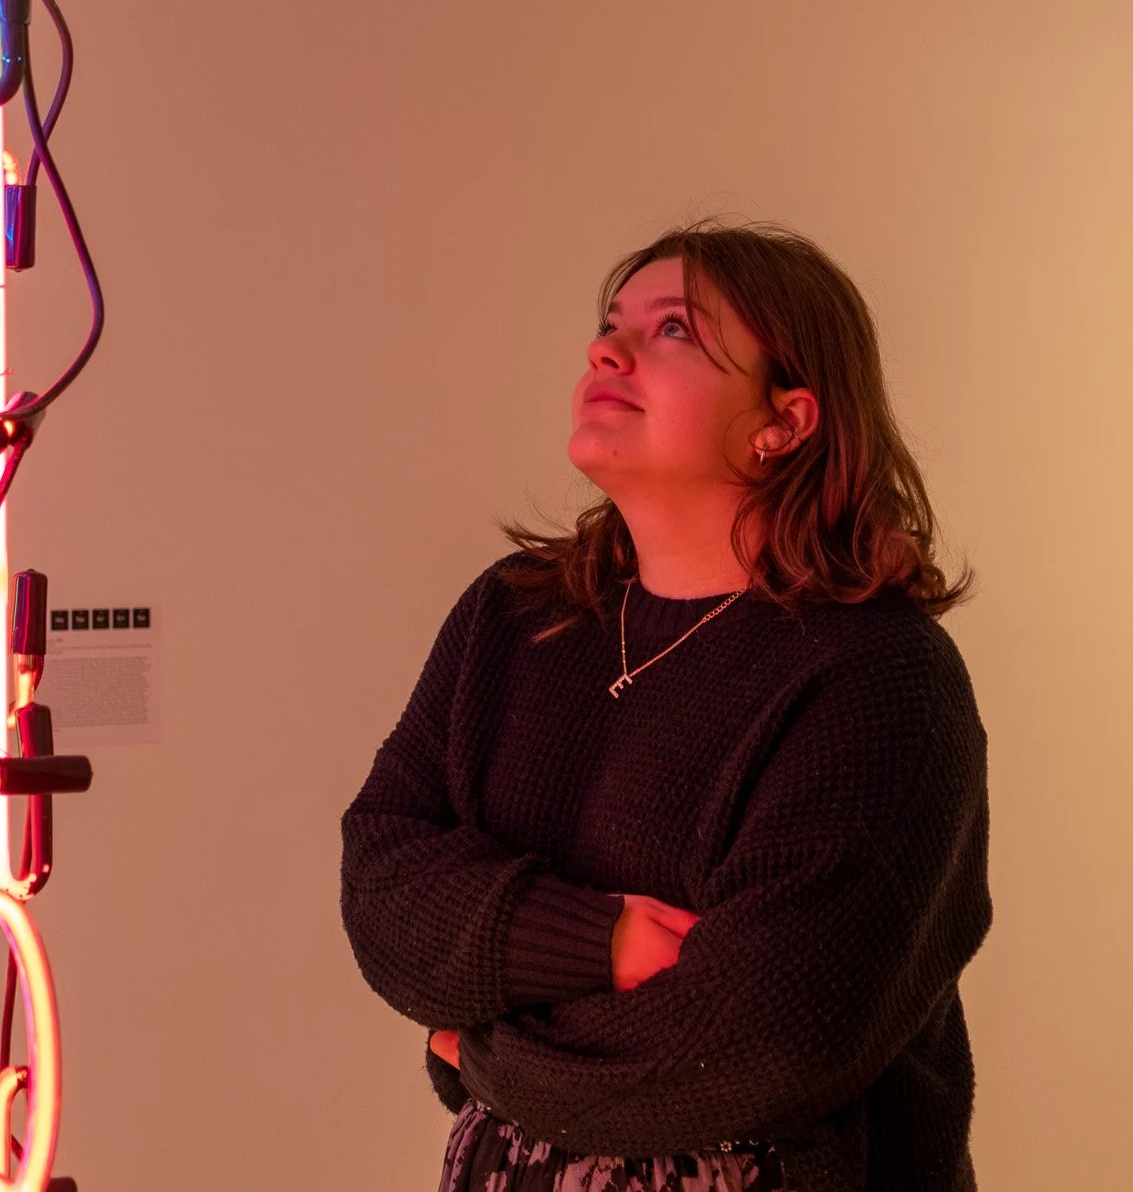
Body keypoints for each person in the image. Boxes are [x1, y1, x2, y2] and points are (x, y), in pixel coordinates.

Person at [339, 222, 991, 1192]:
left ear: (785, 420)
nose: (607, 350)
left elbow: (761, 1041)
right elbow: (382, 884)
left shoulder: (880, 680)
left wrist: (481, 1052)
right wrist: (596, 940)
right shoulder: (512, 617)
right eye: (611, 324)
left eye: (673, 328)